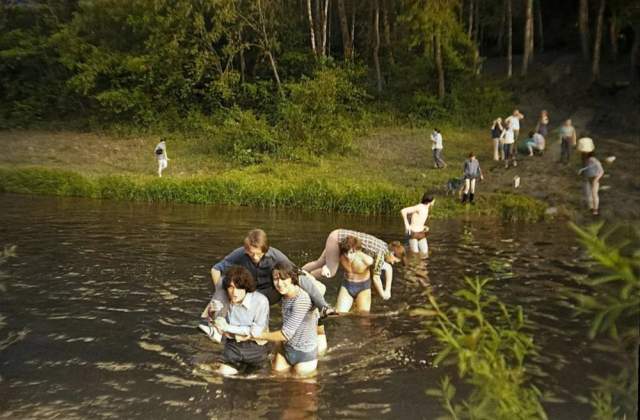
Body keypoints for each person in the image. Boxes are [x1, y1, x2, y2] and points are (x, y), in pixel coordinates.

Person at [200, 229, 333, 339]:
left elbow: (298, 276)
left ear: (265, 251)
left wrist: (323, 306)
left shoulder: (276, 256)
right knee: (224, 283)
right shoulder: (241, 253)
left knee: (306, 286)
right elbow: (216, 269)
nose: (255, 258)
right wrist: (222, 290)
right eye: (251, 254)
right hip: (251, 290)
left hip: (272, 290)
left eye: (258, 254)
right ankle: (216, 329)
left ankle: (319, 315)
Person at [253, 262, 320, 376]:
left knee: (301, 388)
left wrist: (260, 335)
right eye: (275, 279)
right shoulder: (284, 295)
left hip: (305, 354)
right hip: (287, 348)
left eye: (283, 279)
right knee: (277, 378)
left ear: (292, 278)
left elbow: (286, 334)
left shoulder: (301, 300)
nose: (279, 283)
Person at [302, 230, 405, 300]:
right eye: (394, 261)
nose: (392, 263)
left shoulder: (384, 246)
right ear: (392, 254)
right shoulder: (381, 255)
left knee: (319, 262)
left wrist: (388, 289)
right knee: (331, 271)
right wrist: (383, 294)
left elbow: (388, 268)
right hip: (337, 239)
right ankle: (304, 278)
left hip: (337, 234)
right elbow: (376, 278)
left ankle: (299, 272)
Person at [210, 266, 270, 375]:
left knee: (255, 379)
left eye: (239, 288)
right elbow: (216, 324)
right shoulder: (224, 298)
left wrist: (226, 327)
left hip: (256, 347)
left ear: (246, 287)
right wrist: (213, 316)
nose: (234, 292)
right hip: (233, 346)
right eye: (231, 287)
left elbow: (255, 332)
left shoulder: (260, 301)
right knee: (224, 374)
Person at [335, 236, 375, 313]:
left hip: (363, 287)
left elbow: (374, 262)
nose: (348, 256)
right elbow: (327, 259)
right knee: (338, 313)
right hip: (347, 286)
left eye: (351, 253)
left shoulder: (365, 259)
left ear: (356, 251)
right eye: (346, 253)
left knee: (364, 316)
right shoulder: (341, 256)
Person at [577, 138, 604, 216]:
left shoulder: (593, 160)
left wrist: (596, 179)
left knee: (594, 194)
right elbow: (587, 168)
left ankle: (595, 210)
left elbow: (601, 171)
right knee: (588, 194)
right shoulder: (586, 160)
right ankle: (591, 208)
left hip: (593, 179)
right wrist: (582, 171)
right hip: (587, 178)